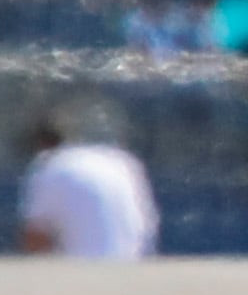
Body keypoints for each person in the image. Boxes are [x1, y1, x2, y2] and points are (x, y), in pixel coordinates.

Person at [15, 103, 159, 260]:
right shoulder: (121, 162)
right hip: (132, 267)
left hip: (82, 274)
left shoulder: (53, 168)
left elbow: (35, 239)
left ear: (41, 143)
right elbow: (147, 226)